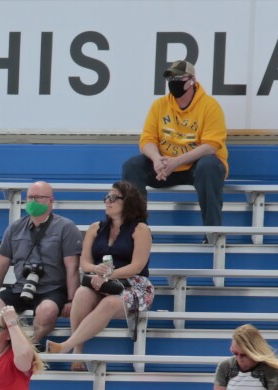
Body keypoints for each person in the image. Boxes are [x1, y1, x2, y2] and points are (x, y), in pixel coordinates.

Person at [49, 181, 155, 357]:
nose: (107, 201)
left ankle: (67, 345)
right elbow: (85, 263)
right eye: (106, 197)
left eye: (113, 197)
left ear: (128, 201)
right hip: (102, 282)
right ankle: (78, 351)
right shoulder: (95, 228)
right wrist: (98, 270)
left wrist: (109, 275)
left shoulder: (140, 229)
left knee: (109, 303)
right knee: (82, 294)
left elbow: (137, 266)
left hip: (134, 285)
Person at [122, 60, 227, 226]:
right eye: (170, 78)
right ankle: (137, 231)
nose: (173, 82)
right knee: (132, 166)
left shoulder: (210, 106)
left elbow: (211, 146)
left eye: (178, 78)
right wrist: (157, 159)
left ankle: (212, 232)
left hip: (195, 167)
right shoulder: (159, 105)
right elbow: (147, 139)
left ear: (192, 80)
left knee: (210, 166)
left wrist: (176, 162)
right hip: (164, 167)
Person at [0, 181, 83, 345]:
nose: (33, 201)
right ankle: (19, 341)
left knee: (46, 311)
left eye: (39, 197)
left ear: (50, 201)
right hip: (21, 287)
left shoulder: (66, 227)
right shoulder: (15, 228)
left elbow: (72, 268)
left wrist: (71, 300)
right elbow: (0, 266)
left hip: (52, 288)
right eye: (30, 197)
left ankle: (33, 342)